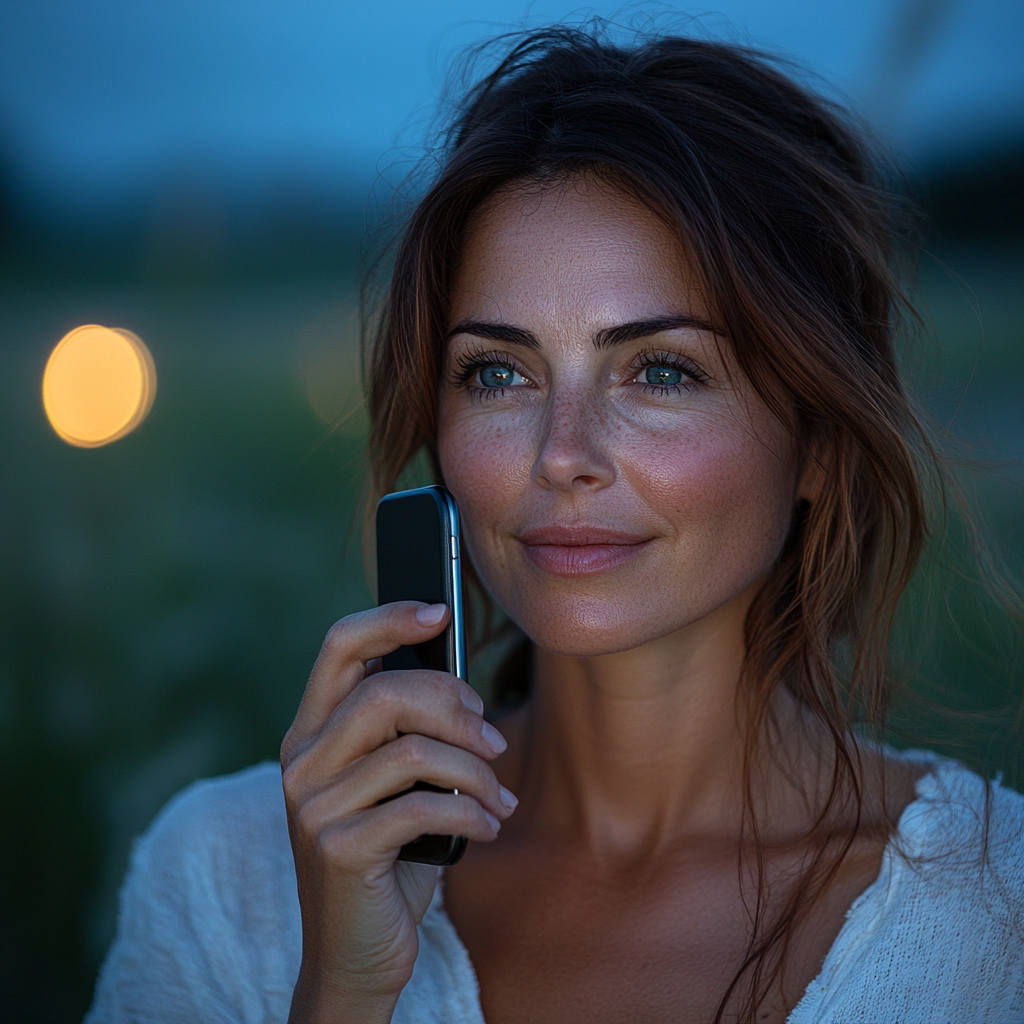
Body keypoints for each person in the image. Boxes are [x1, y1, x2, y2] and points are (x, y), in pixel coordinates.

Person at [86, 26, 1022, 1024]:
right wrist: (345, 992)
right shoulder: (225, 881)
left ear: (821, 449)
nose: (561, 452)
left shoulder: (995, 914)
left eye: (661, 369)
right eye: (499, 373)